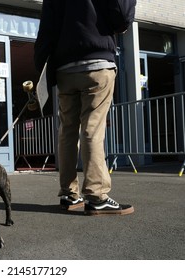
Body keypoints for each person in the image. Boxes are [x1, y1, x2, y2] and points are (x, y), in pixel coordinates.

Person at [34, 0, 136, 215]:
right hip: (97, 61)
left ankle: (69, 194)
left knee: (68, 131)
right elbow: (122, 15)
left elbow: (47, 28)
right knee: (92, 128)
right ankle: (96, 195)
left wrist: (42, 71)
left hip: (65, 68)